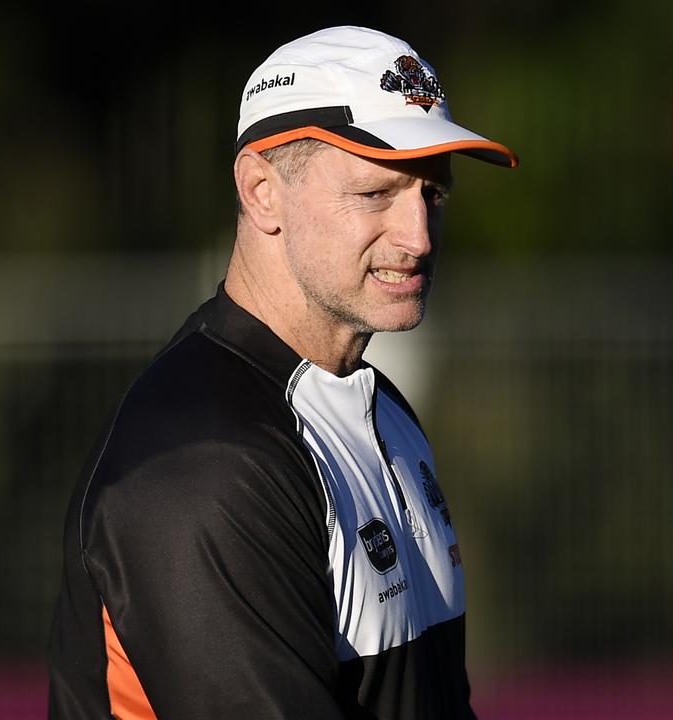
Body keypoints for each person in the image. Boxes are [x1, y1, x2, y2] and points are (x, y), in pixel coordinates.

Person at [47, 25, 517, 719]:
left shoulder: (383, 412)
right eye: (377, 194)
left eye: (433, 195)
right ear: (262, 191)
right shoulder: (204, 461)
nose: (418, 236)